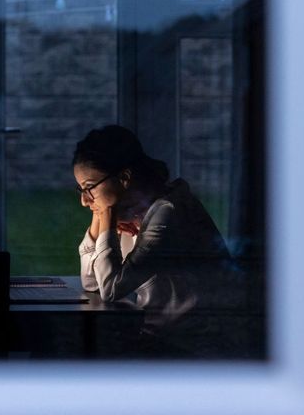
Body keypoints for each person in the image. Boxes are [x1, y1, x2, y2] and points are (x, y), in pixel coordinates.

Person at [74, 124, 238, 356]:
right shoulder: (138, 212)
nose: (84, 200)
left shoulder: (169, 212)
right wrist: (100, 216)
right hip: (160, 338)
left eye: (89, 188)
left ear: (124, 177)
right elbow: (92, 283)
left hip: (193, 346)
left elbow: (111, 289)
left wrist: (108, 216)